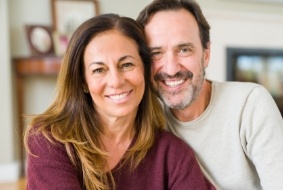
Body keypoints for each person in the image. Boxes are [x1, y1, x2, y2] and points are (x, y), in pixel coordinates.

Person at [24, 13, 215, 190]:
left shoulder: (172, 153)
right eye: (99, 70)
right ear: (83, 81)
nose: (116, 81)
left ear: (144, 70)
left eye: (126, 65)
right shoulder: (50, 140)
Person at [137, 0, 283, 189]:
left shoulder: (250, 104)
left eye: (184, 50)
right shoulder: (150, 120)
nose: (171, 69)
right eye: (156, 53)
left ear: (206, 54)